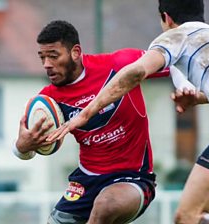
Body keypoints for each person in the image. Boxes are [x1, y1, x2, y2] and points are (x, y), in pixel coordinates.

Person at [47, 1, 209, 224]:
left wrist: (86, 113)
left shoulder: (175, 35)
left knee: (187, 216)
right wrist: (198, 98)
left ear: (166, 18)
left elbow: (135, 72)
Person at [12, 20, 182, 224]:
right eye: (42, 57)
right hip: (86, 181)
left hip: (133, 178)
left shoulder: (119, 65)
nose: (47, 64)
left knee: (105, 206)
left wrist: (188, 89)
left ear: (75, 52)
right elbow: (27, 149)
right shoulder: (49, 99)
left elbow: (177, 64)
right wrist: (22, 147)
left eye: (53, 56)